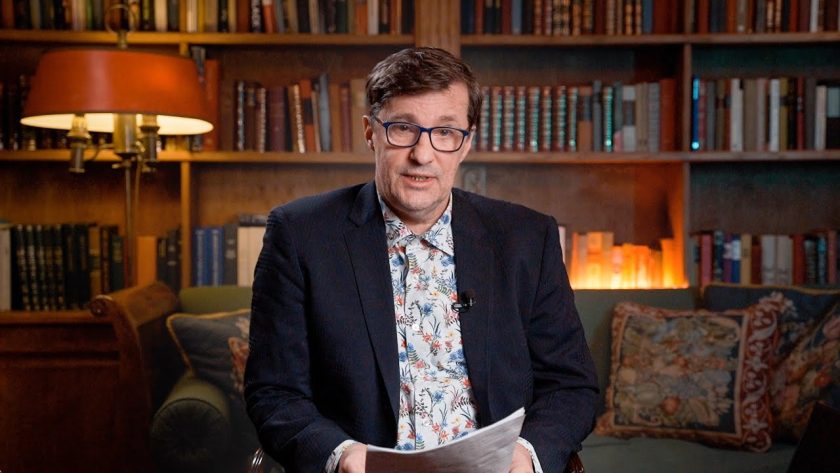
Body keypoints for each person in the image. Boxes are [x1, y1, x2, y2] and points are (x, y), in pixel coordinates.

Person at [245, 47, 598, 473]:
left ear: (466, 143)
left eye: (444, 132)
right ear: (371, 132)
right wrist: (341, 454)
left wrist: (527, 455)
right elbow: (275, 392)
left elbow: (571, 386)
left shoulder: (527, 238)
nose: (423, 155)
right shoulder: (299, 235)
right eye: (403, 128)